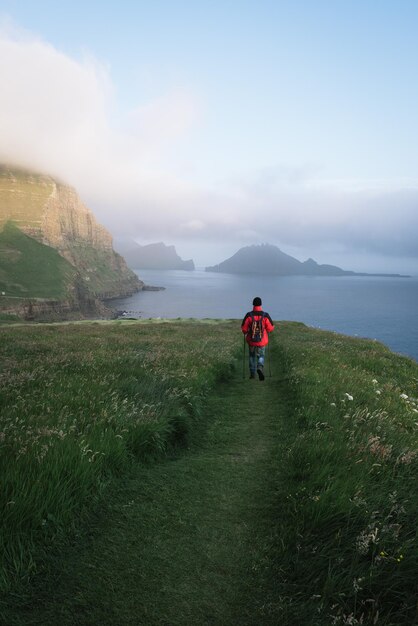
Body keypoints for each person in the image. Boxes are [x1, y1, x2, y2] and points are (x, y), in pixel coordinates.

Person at [241, 297, 274, 380]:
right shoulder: (265, 315)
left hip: (251, 341)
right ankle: (260, 367)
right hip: (262, 341)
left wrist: (246, 331)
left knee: (252, 356)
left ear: (253, 304)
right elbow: (270, 328)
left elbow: (244, 329)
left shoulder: (249, 315)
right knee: (261, 355)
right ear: (261, 304)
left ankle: (252, 374)